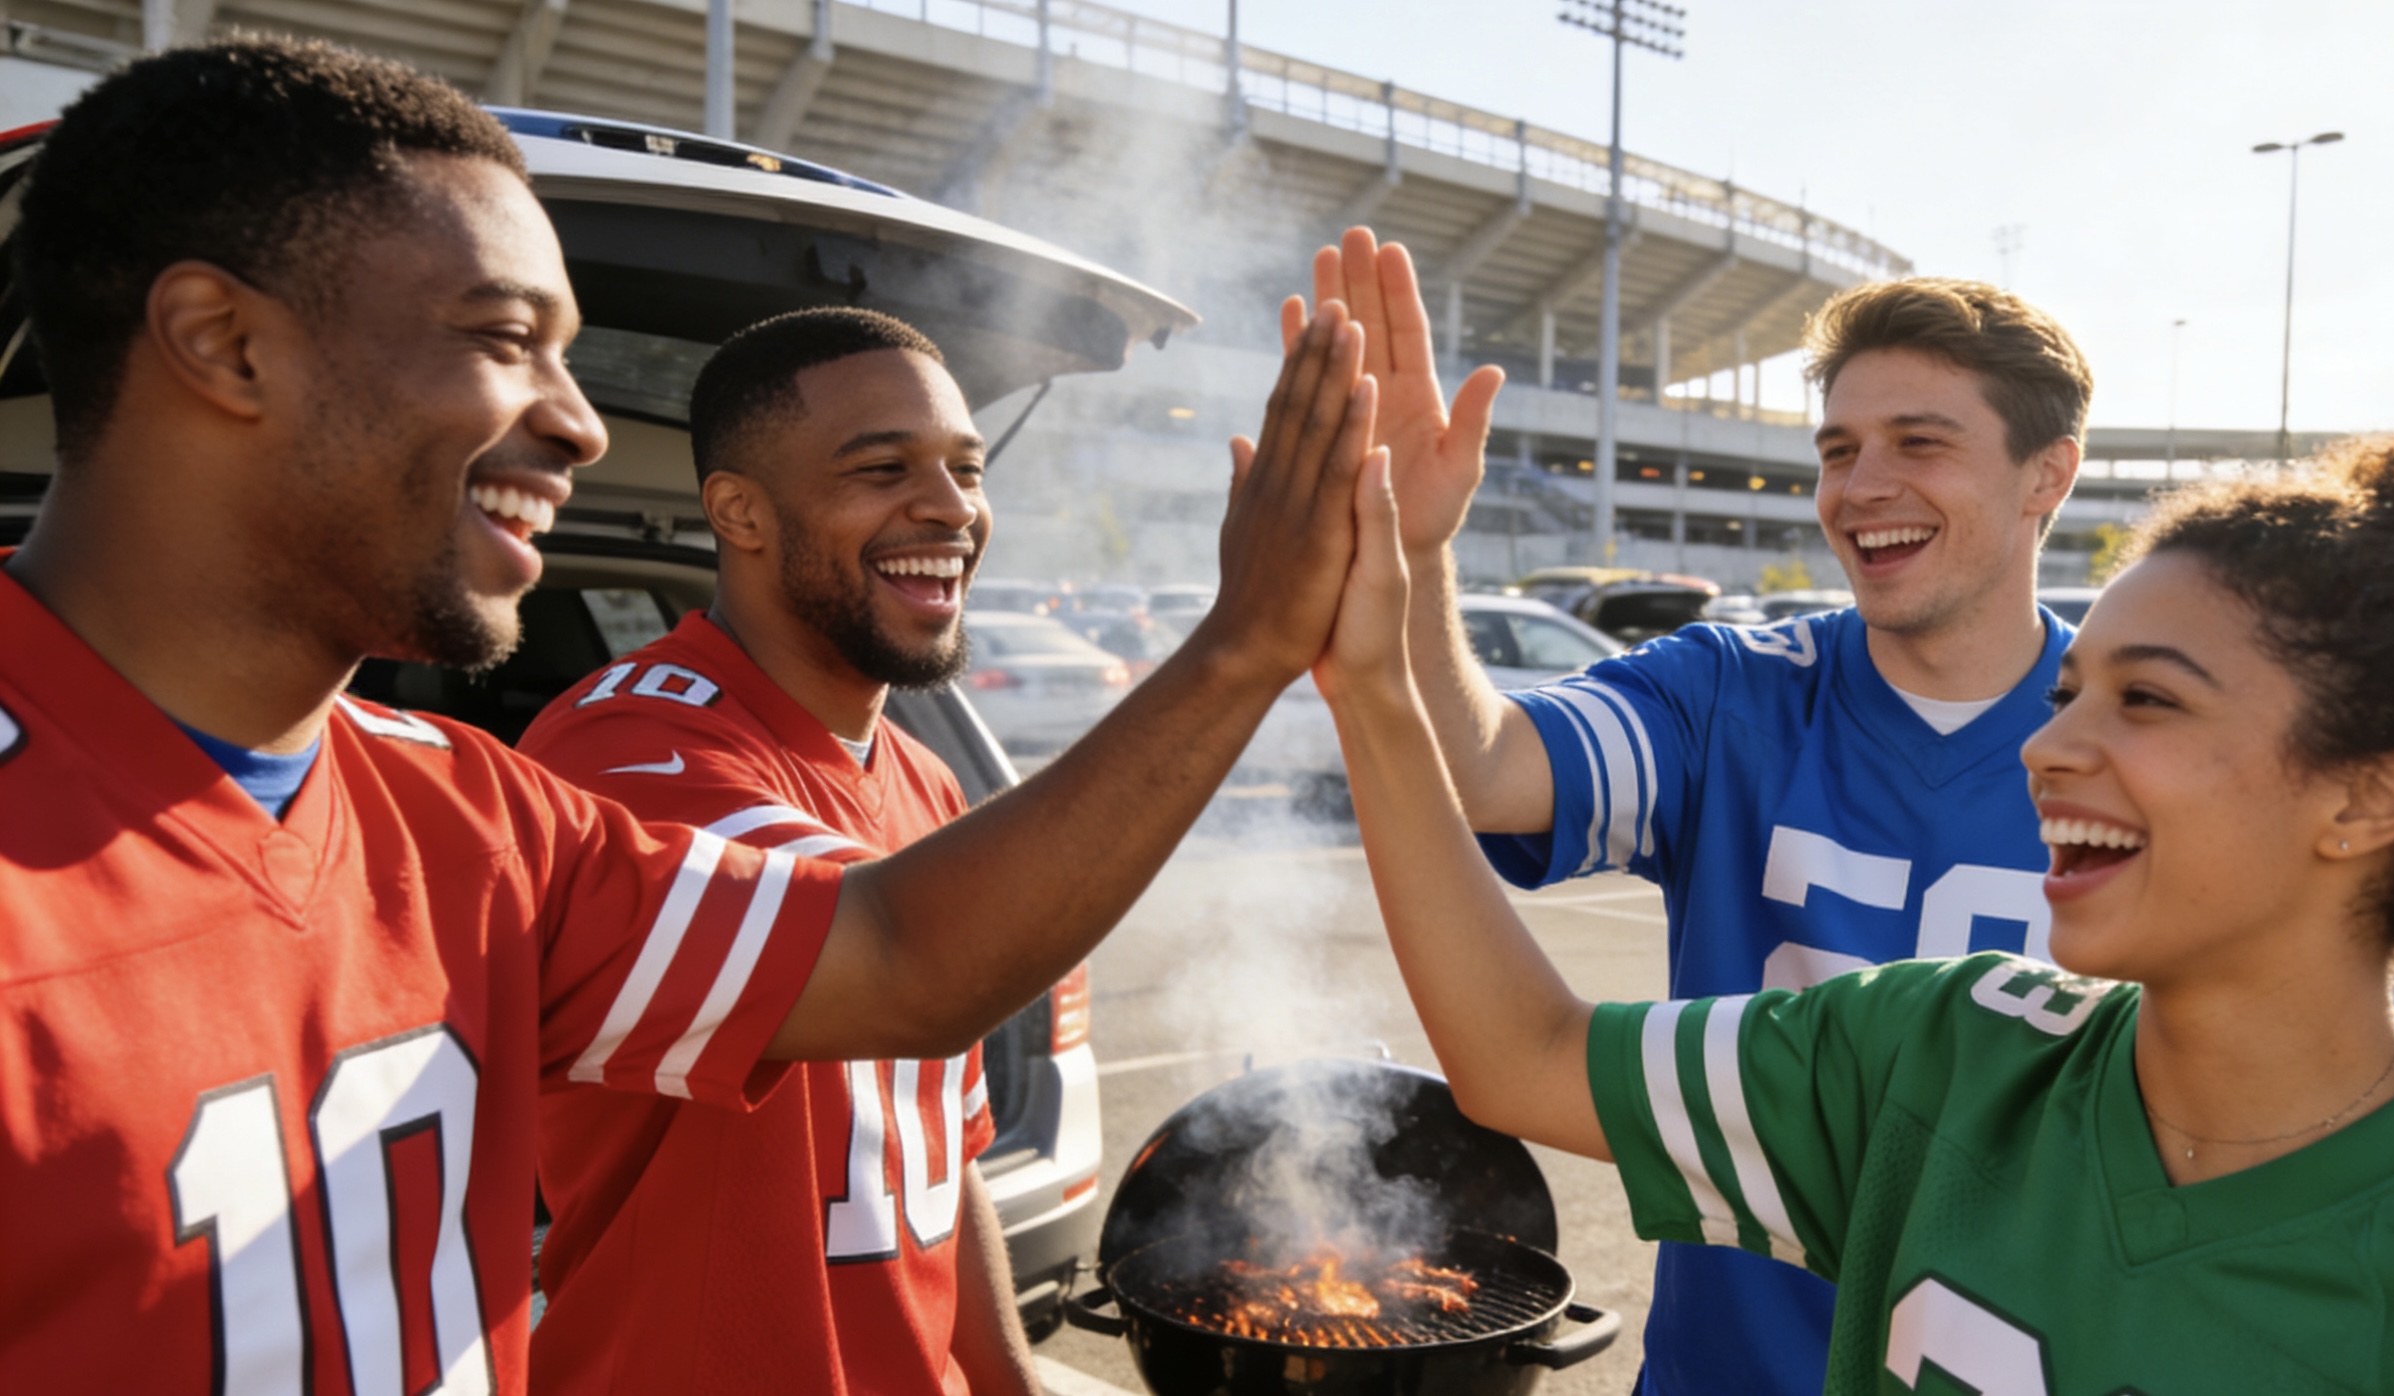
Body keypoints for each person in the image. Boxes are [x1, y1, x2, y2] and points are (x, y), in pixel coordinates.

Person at [0, 37, 1380, 1390]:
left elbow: (905, 970)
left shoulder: (469, 810)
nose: (585, 425)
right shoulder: (618, 751)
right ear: (221, 343)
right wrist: (1241, 644)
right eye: (504, 339)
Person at [1313, 423, 2394, 1391]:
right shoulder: (1946, 1052)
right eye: (2070, 694)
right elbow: (1523, 1058)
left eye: (2148, 700)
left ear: (2366, 800)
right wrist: (1374, 692)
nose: (2047, 750)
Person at [1309, 230, 2086, 1389]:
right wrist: (1419, 550)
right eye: (1838, 448)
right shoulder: (1733, 689)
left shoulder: (2138, 741)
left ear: (2048, 476)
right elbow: (1480, 768)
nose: (1861, 485)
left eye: (1919, 442)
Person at [513, 309, 1035, 1393]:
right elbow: (903, 959)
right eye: (885, 466)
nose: (949, 506)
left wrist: (1010, 1380)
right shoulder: (622, 746)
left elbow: (942, 1143)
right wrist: (1240, 651)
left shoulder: (926, 779)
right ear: (739, 511)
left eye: (966, 467)